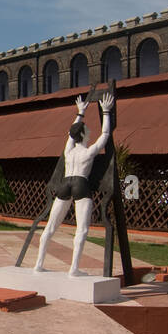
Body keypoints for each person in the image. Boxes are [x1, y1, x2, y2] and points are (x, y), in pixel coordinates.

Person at [33, 90, 114, 276]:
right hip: (80, 184)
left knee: (50, 226)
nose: (91, 132)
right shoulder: (88, 152)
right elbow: (106, 134)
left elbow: (70, 136)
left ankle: (38, 264)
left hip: (65, 183)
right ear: (84, 134)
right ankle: (74, 268)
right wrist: (106, 111)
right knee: (82, 229)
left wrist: (80, 113)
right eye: (88, 130)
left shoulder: (69, 152)